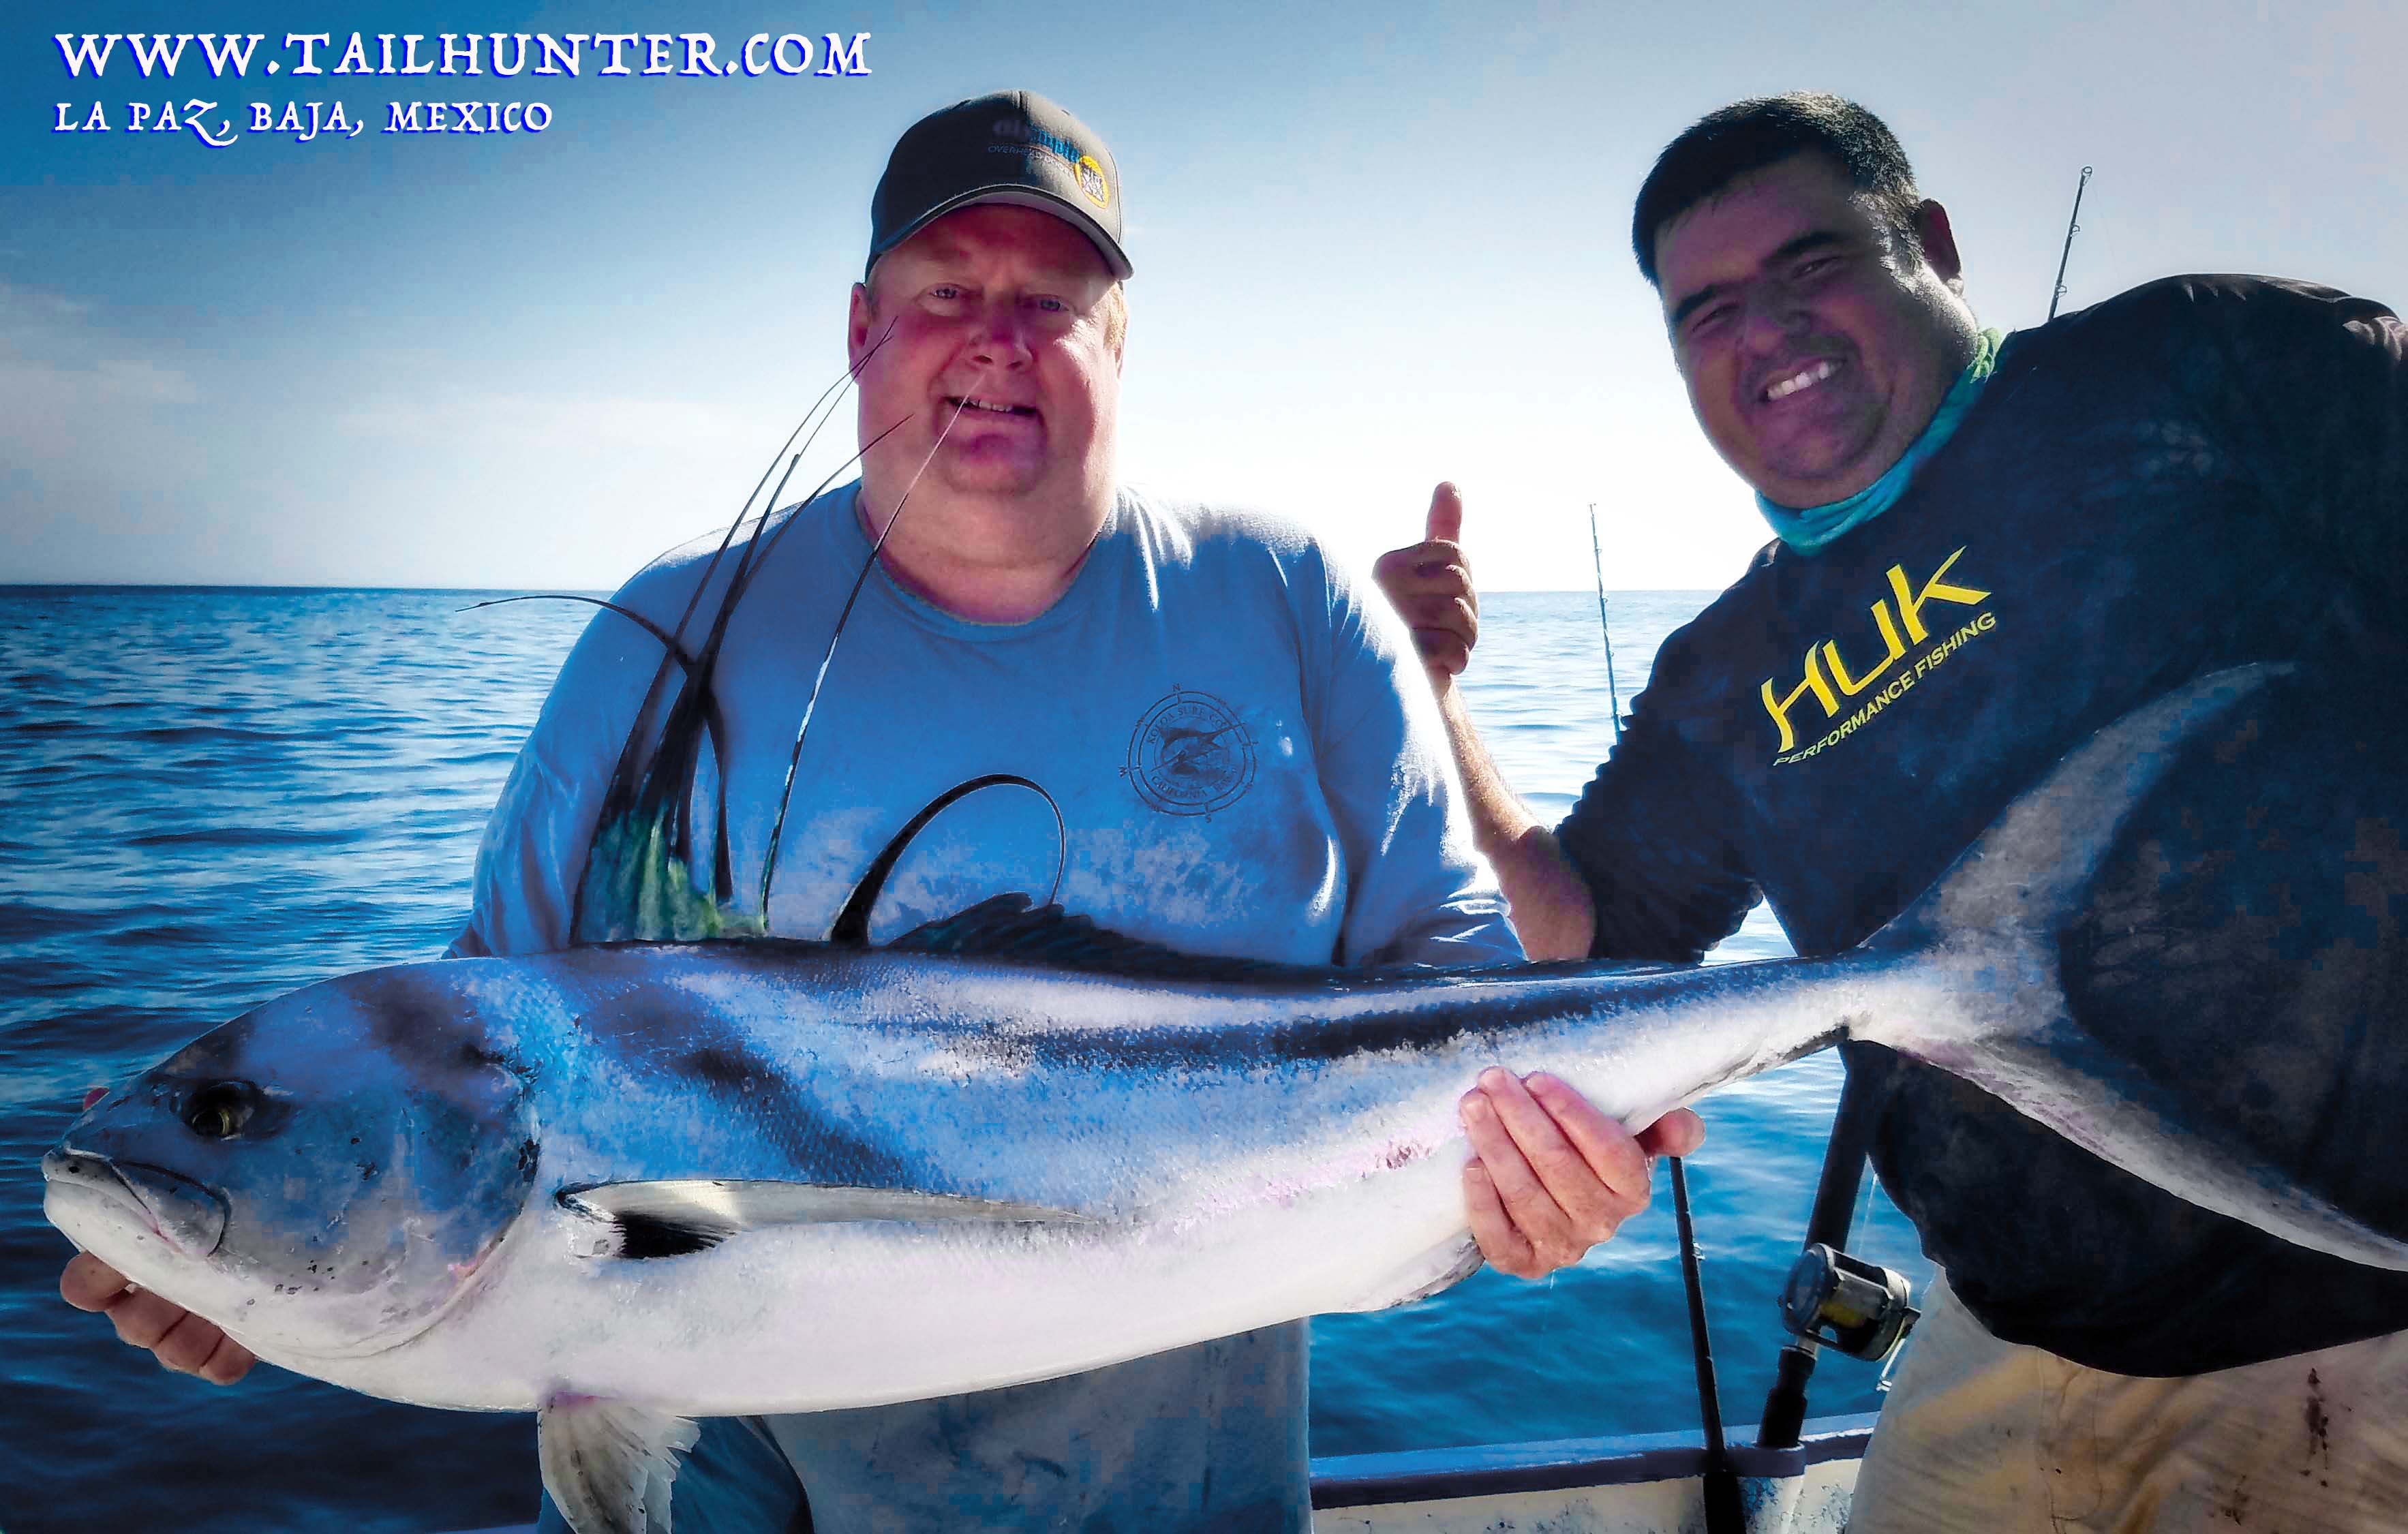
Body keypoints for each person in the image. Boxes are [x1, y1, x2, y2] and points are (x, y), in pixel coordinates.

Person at [61, 89, 1702, 1531]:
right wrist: (255, 1272)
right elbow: (482, 1020)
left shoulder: (1290, 602)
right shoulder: (655, 643)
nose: (996, 338)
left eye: (1050, 300)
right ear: (861, 326)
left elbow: (1458, 987)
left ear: (1120, 341)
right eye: (946, 292)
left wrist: (1526, 1186)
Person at [1377, 90, 2408, 1530]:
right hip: (1999, 1340)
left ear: (1930, 242)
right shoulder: (1723, 672)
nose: (1766, 332)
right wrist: (1428, 694)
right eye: (1708, 311)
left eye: (1812, 264)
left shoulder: (2193, 364)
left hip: (2353, 1331)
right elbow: (1589, 941)